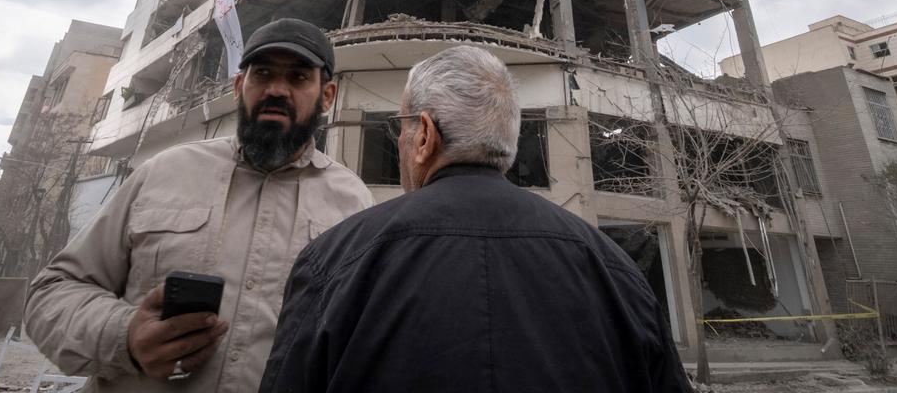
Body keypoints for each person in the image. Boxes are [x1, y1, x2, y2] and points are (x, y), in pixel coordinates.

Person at [260, 45, 692, 392]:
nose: (402, 139)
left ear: (425, 135)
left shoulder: (335, 260)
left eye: (402, 127)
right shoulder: (615, 269)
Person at [25, 18, 372, 391]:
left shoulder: (353, 204)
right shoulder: (163, 173)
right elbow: (54, 290)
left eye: (299, 78)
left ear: (328, 96)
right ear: (240, 86)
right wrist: (123, 336)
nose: (276, 90)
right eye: (263, 74)